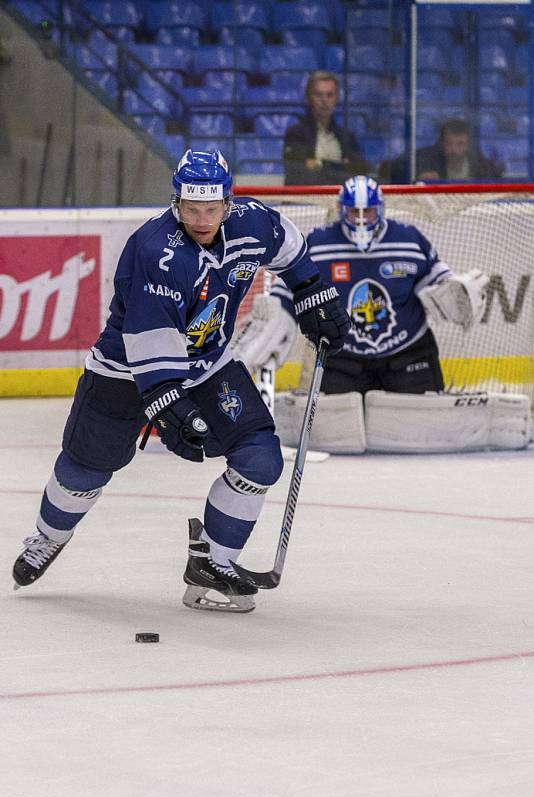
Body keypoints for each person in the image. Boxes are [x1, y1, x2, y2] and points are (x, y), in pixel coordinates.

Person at [11, 149, 350, 613]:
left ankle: (212, 561)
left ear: (230, 202)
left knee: (260, 456)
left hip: (208, 366)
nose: (201, 218)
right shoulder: (157, 250)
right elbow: (151, 342)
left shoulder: (254, 221)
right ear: (177, 202)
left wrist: (313, 291)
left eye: (211, 209)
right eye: (191, 208)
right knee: (86, 468)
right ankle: (48, 536)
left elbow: (289, 246)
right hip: (127, 372)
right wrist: (173, 410)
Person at [234, 175, 493, 453]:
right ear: (341, 209)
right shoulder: (319, 244)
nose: (360, 219)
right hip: (343, 359)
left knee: (421, 431)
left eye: (366, 211)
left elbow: (439, 281)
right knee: (336, 432)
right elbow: (290, 290)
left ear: (380, 209)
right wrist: (274, 313)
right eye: (353, 211)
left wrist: (456, 292)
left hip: (407, 354)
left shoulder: (409, 240)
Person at [283, 70, 368, 186]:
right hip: (304, 201)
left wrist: (320, 164)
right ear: (308, 97)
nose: (324, 100)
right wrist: (341, 167)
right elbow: (298, 172)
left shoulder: (346, 136)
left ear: (337, 98)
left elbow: (360, 169)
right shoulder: (295, 133)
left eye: (330, 95)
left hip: (338, 199)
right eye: (318, 95)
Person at [381, 117, 504, 183]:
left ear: (468, 145)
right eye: (449, 143)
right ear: (441, 143)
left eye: (460, 144)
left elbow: (498, 182)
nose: (454, 150)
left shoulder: (481, 165)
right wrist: (417, 179)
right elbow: (388, 169)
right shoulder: (424, 158)